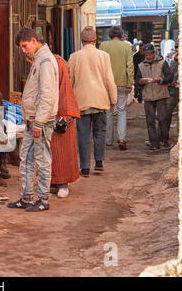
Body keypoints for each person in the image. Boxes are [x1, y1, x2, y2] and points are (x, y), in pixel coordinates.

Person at [7, 27, 59, 212]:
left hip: (40, 122)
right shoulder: (38, 60)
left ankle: (43, 200)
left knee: (42, 158)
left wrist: (39, 122)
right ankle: (26, 197)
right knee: (26, 158)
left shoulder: (45, 61)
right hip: (32, 120)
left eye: (24, 46)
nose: (23, 50)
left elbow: (47, 95)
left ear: (34, 40)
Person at [69, 26, 117, 177]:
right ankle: (99, 162)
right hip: (100, 99)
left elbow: (70, 81)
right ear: (95, 41)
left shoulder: (74, 56)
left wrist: (68, 100)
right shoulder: (104, 56)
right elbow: (109, 79)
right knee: (100, 132)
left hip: (81, 101)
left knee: (83, 135)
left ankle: (84, 168)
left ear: (82, 41)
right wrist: (113, 98)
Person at [49, 55, 81, 198]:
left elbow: (66, 96)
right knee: (50, 152)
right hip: (48, 112)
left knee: (62, 150)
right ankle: (53, 182)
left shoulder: (59, 66)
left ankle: (63, 183)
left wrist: (65, 116)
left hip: (61, 114)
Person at [99, 26, 134, 150]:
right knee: (121, 111)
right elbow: (129, 66)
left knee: (108, 112)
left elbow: (100, 65)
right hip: (122, 83)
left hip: (106, 84)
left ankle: (108, 140)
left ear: (109, 35)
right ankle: (122, 138)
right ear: (122, 35)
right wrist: (130, 83)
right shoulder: (127, 47)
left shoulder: (103, 45)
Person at [135, 44, 173, 151]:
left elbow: (169, 77)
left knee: (162, 119)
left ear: (153, 53)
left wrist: (160, 80)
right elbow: (137, 80)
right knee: (150, 121)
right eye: (146, 55)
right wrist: (140, 82)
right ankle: (154, 143)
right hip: (148, 96)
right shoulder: (141, 65)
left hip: (161, 94)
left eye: (150, 54)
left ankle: (164, 141)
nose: (148, 56)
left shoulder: (162, 62)